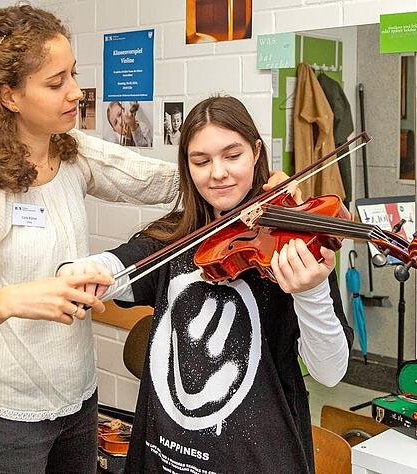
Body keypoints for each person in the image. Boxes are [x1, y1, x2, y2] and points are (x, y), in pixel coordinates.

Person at [0, 5, 182, 473]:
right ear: (10, 96)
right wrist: (9, 301)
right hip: (4, 417)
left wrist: (246, 177)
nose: (76, 92)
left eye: (73, 74)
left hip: (79, 399)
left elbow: (169, 183)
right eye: (56, 83)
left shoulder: (72, 153)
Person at [59, 96, 353, 473]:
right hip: (164, 458)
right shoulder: (176, 238)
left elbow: (331, 372)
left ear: (256, 152)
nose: (218, 173)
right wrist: (82, 270)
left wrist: (311, 293)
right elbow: (118, 266)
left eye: (233, 156)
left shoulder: (292, 246)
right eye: (201, 161)